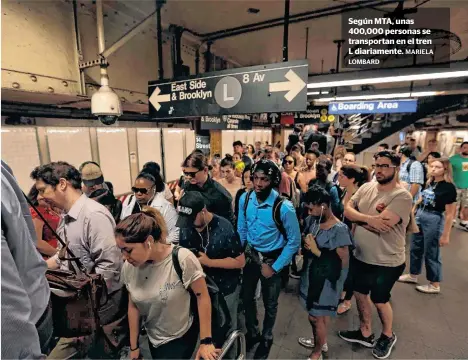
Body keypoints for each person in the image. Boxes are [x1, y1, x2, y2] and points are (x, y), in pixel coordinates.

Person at [31, 161, 125, 359]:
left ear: (62, 184)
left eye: (43, 190)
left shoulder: (93, 215)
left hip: (96, 307)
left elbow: (110, 268)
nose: (40, 197)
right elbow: (63, 255)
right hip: (80, 304)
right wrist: (36, 270)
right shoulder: (66, 217)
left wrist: (85, 310)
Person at [116, 207, 220, 360]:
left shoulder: (182, 259)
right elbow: (133, 306)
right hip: (153, 339)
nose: (124, 257)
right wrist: (134, 346)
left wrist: (206, 341)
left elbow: (202, 296)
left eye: (128, 250)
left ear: (149, 242)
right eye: (121, 251)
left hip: (180, 337)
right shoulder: (129, 267)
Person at [338, 151, 412, 359]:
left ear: (396, 168)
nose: (379, 169)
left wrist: (358, 218)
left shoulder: (401, 196)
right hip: (362, 256)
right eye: (376, 165)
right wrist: (370, 219)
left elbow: (383, 227)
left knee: (380, 299)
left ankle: (387, 335)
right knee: (360, 294)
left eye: (385, 166)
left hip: (387, 261)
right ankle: (365, 332)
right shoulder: (367, 187)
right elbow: (347, 210)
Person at [237, 159, 301, 359]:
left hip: (272, 259)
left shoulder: (284, 207)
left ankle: (267, 336)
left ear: (273, 181)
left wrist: (275, 267)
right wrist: (241, 253)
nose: (257, 183)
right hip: (251, 255)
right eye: (255, 178)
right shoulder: (245, 199)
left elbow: (294, 241)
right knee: (247, 297)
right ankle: (253, 332)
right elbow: (242, 228)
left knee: (270, 302)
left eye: (263, 179)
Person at [177, 192, 245, 353]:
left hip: (225, 288)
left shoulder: (224, 227)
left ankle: (231, 355)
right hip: (200, 289)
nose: (189, 224)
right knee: (207, 328)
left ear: (203, 211)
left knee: (227, 327)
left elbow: (240, 261)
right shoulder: (186, 227)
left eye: (192, 218)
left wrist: (209, 262)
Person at [2, 161, 53, 358]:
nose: (40, 196)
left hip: (25, 321)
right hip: (36, 300)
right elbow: (33, 242)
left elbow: (5, 300)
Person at [297, 185, 353, 360]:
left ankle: (317, 352)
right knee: (318, 316)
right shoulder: (313, 220)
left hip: (327, 281)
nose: (309, 210)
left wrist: (317, 251)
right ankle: (320, 341)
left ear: (324, 205)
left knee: (316, 317)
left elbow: (342, 263)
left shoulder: (339, 229)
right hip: (311, 275)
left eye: (312, 207)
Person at [398, 158, 457, 294]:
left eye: (438, 167)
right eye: (432, 166)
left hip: (434, 218)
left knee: (431, 252)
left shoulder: (448, 188)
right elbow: (421, 200)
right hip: (421, 215)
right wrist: (413, 212)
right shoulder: (429, 183)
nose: (433, 169)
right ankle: (413, 274)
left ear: (445, 170)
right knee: (415, 248)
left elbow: (449, 214)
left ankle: (434, 284)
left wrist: (445, 235)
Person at [335, 165, 370, 315]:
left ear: (352, 179)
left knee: (350, 270)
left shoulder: (359, 195)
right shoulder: (344, 191)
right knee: (342, 267)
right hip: (343, 232)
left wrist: (352, 239)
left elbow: (356, 220)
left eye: (342, 176)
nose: (339, 178)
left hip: (352, 235)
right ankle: (343, 292)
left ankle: (347, 300)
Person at [121, 172, 179, 244]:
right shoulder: (128, 201)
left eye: (143, 190)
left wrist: (156, 245)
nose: (139, 193)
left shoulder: (165, 206)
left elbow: (176, 234)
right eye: (135, 190)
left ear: (153, 189)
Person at [181, 151, 235, 225]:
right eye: (186, 173)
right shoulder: (187, 186)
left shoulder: (221, 194)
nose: (188, 177)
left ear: (205, 170)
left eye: (192, 174)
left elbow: (228, 225)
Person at [27, 185, 61, 258]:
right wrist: (60, 255)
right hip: (47, 258)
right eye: (41, 192)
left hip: (55, 256)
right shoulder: (37, 211)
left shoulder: (50, 210)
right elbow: (37, 242)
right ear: (36, 194)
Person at [449, 141, 468, 230]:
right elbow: (446, 169)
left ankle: (464, 221)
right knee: (454, 204)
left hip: (467, 187)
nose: (466, 149)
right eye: (464, 147)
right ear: (461, 148)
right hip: (456, 186)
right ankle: (452, 220)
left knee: (466, 205)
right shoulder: (454, 159)